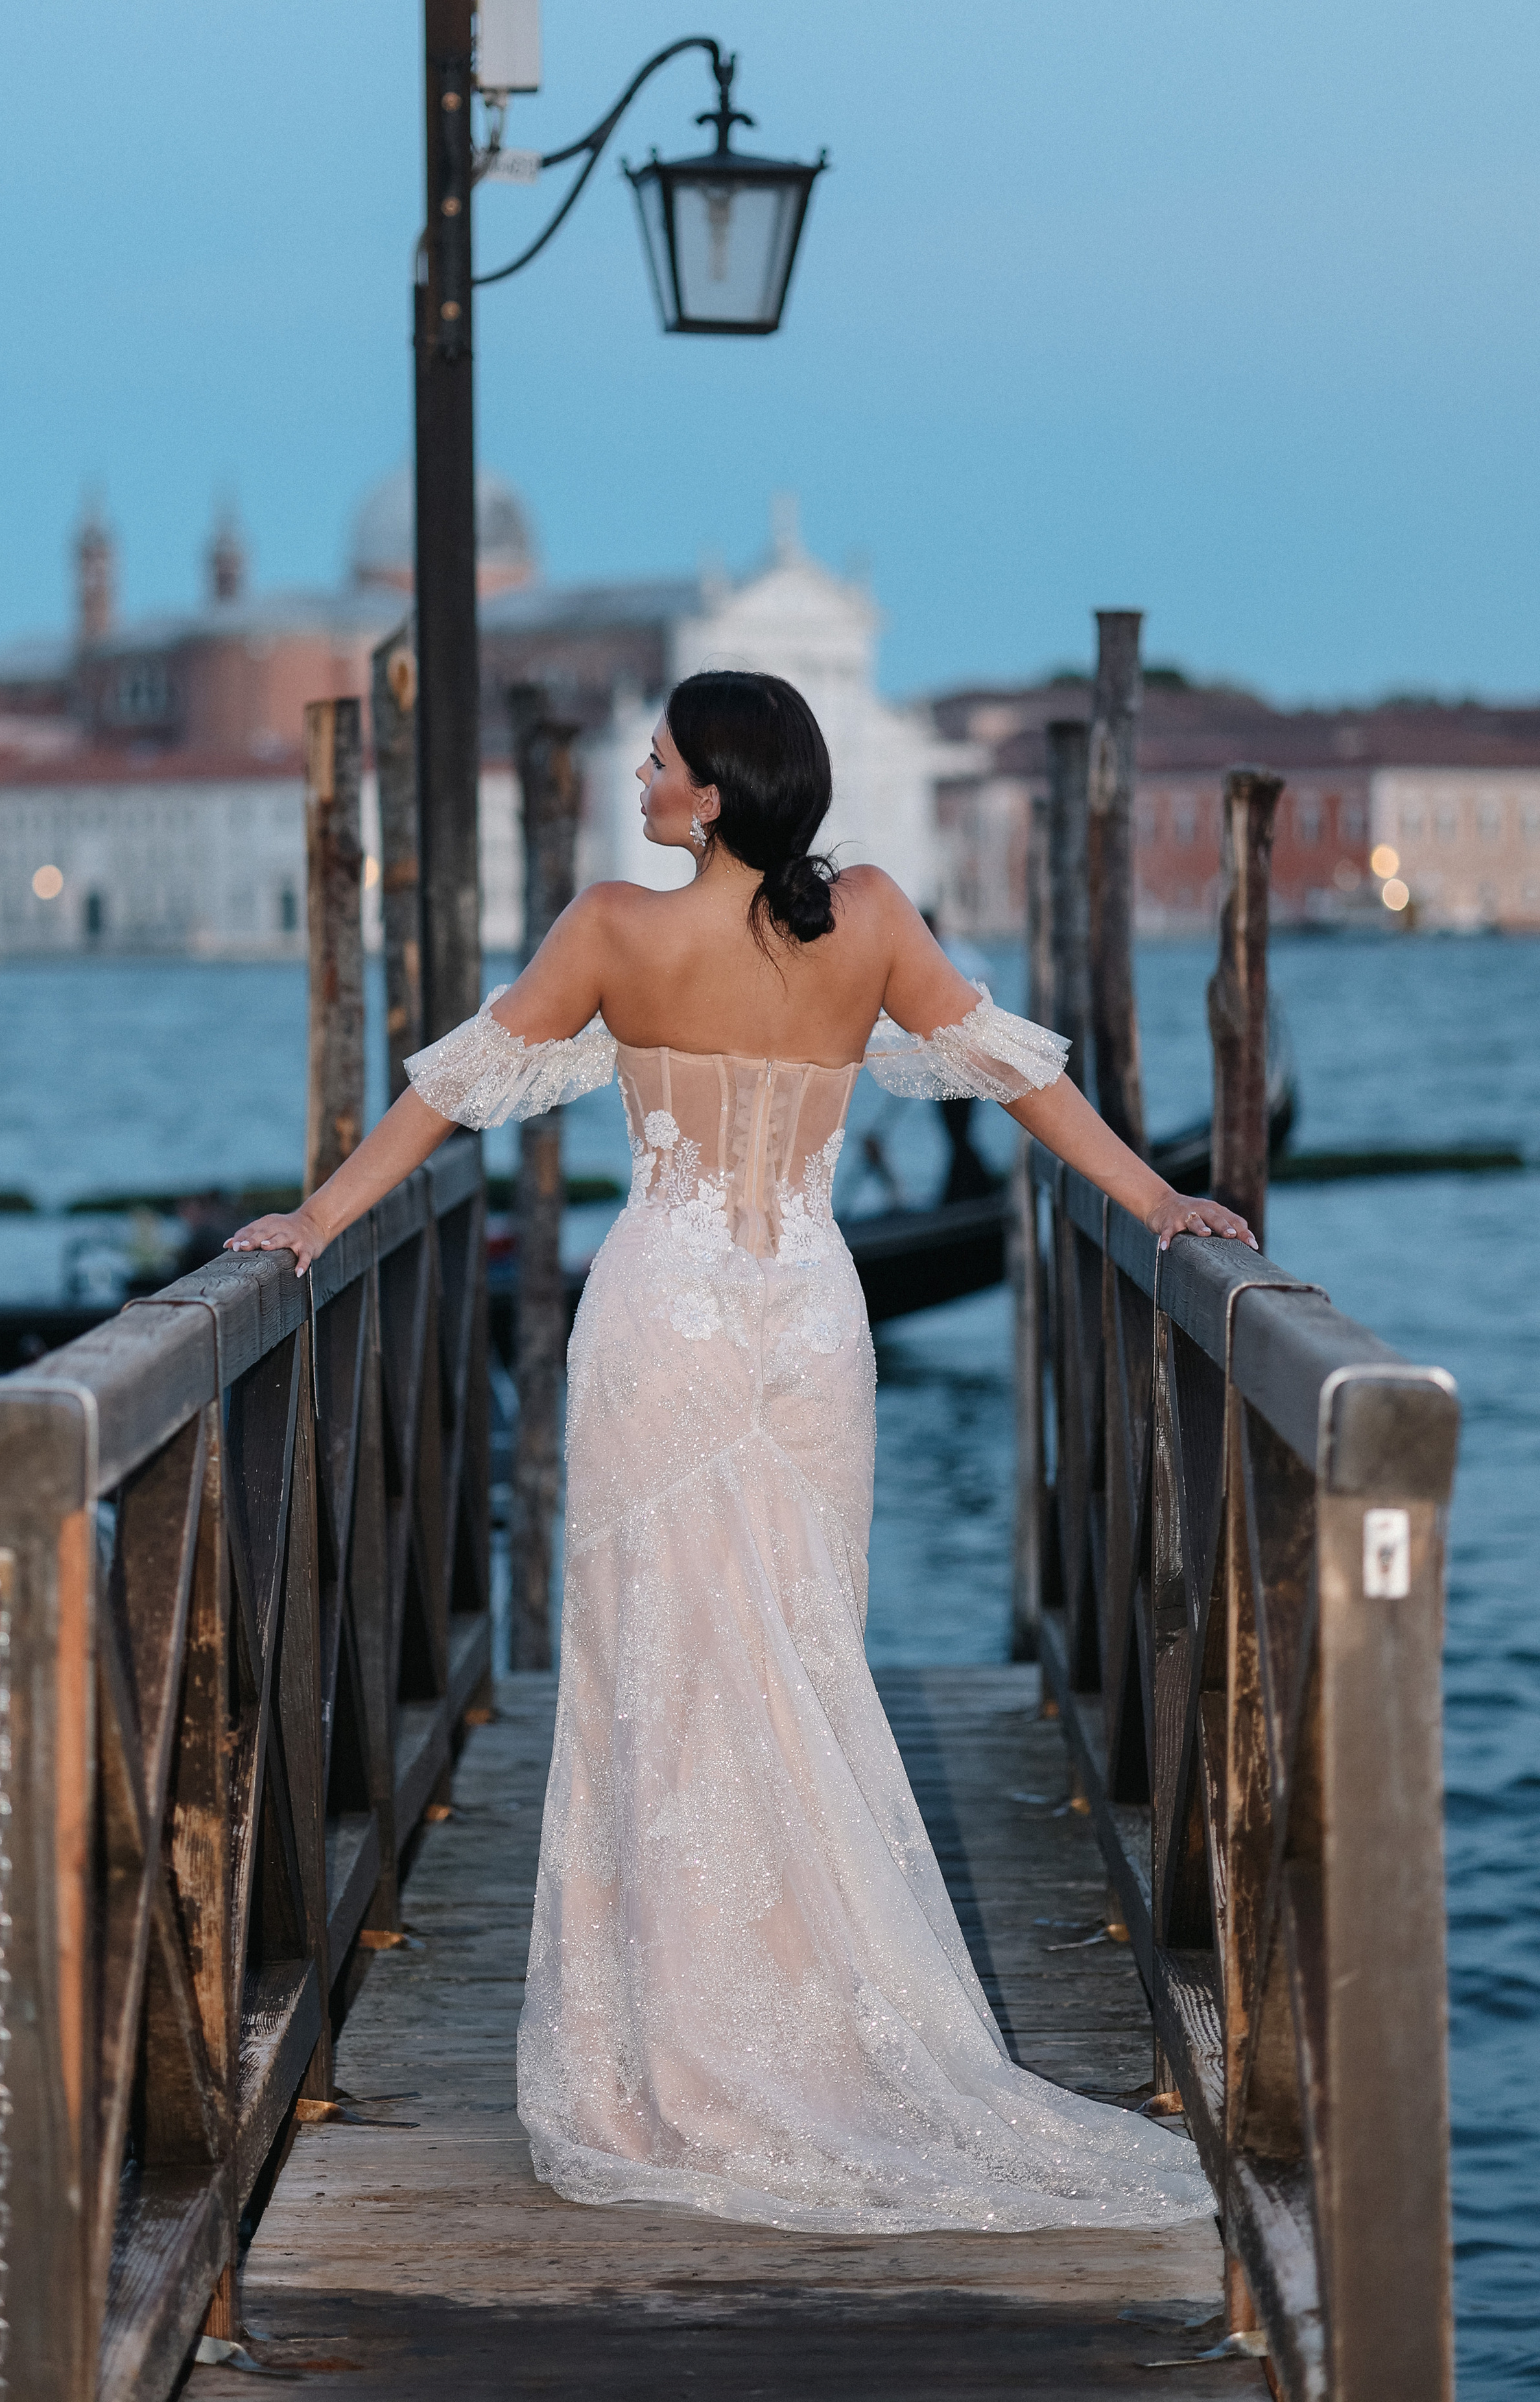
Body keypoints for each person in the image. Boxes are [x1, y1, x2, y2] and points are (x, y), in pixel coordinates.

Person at [229, 670, 1255, 2236]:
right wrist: (1153, 1199)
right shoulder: (872, 920)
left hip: (663, 1319)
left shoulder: (612, 931)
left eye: (655, 760)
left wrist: (311, 1220)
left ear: (710, 793)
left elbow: (442, 1097)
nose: (635, 777)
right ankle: (797, 2006)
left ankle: (675, 2043)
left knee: (664, 1667)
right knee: (794, 1651)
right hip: (808, 1324)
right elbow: (1023, 1079)